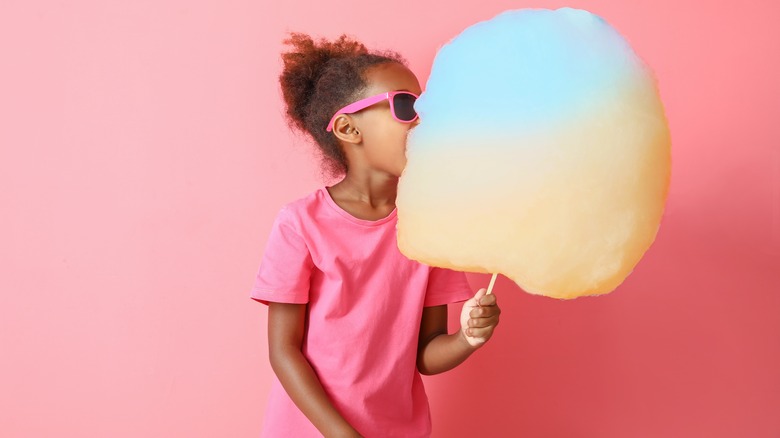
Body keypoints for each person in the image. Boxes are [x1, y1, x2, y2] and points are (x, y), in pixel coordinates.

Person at [250, 32, 501, 437]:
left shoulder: (428, 227)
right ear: (349, 128)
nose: (422, 120)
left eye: (426, 107)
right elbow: (283, 351)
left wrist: (468, 338)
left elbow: (427, 353)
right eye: (406, 105)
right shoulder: (300, 224)